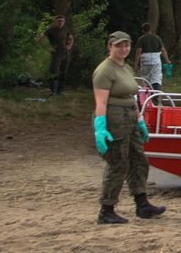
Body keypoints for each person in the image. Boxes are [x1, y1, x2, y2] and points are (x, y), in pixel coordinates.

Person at [91, 31, 165, 224]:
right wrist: (100, 127)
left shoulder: (126, 67)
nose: (123, 49)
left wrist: (139, 120)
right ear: (110, 46)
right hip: (114, 117)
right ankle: (107, 209)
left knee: (139, 160)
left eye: (126, 45)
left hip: (130, 116)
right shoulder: (104, 70)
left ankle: (142, 204)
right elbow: (101, 102)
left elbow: (131, 96)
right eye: (119, 45)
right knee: (118, 163)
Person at [44, 15, 74, 97]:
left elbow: (71, 38)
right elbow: (40, 39)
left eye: (62, 21)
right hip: (56, 52)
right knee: (53, 71)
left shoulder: (65, 29)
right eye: (59, 21)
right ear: (55, 22)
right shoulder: (50, 30)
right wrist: (48, 48)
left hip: (65, 52)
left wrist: (69, 46)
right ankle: (52, 91)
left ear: (64, 22)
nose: (60, 22)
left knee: (63, 71)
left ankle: (59, 91)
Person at [136, 24, 169, 90]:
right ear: (151, 29)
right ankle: (156, 92)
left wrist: (136, 63)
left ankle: (147, 93)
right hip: (156, 60)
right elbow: (162, 50)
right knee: (156, 77)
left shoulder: (141, 39)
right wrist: (167, 60)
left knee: (146, 78)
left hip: (145, 60)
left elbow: (139, 52)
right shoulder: (157, 38)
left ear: (143, 30)